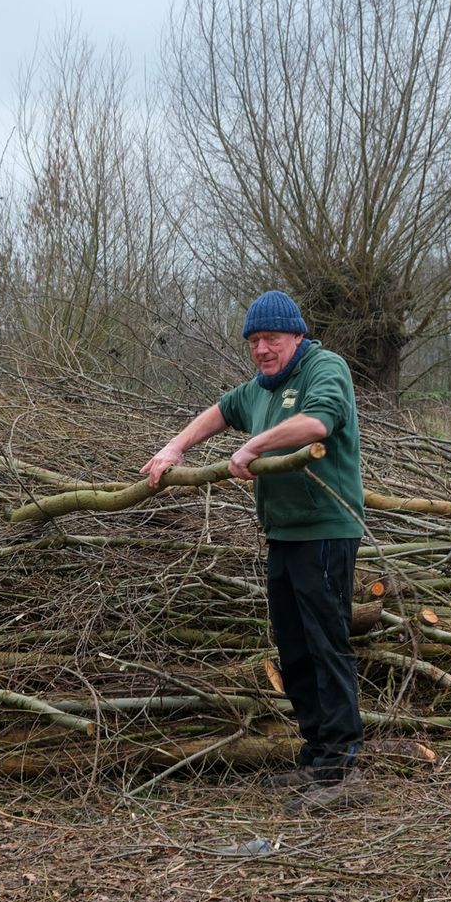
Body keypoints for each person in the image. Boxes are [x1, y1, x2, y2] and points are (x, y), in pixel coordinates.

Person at [142, 290, 368, 812]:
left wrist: (254, 445)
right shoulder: (260, 389)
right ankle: (316, 757)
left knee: (325, 642)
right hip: (284, 533)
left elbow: (316, 424)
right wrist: (175, 448)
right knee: (292, 647)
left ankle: (342, 768)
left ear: (297, 337)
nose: (262, 349)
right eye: (254, 342)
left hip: (327, 529)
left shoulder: (323, 369)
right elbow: (220, 411)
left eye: (272, 339)